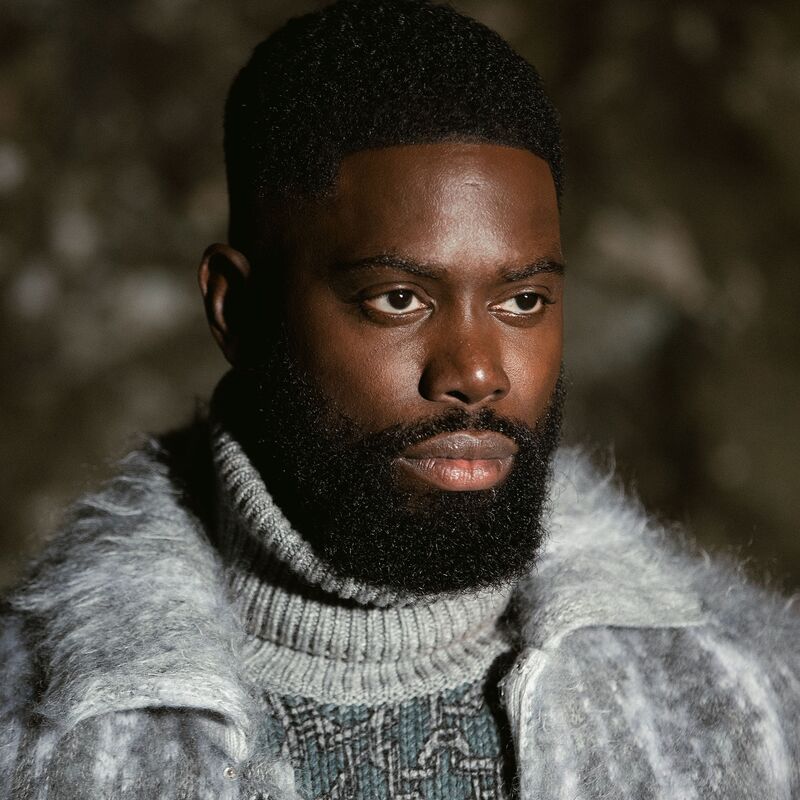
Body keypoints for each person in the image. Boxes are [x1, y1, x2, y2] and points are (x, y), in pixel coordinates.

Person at [1, 1, 798, 798]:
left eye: (522, 302)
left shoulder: (764, 707)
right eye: (397, 299)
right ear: (236, 311)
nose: (477, 374)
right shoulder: (24, 740)